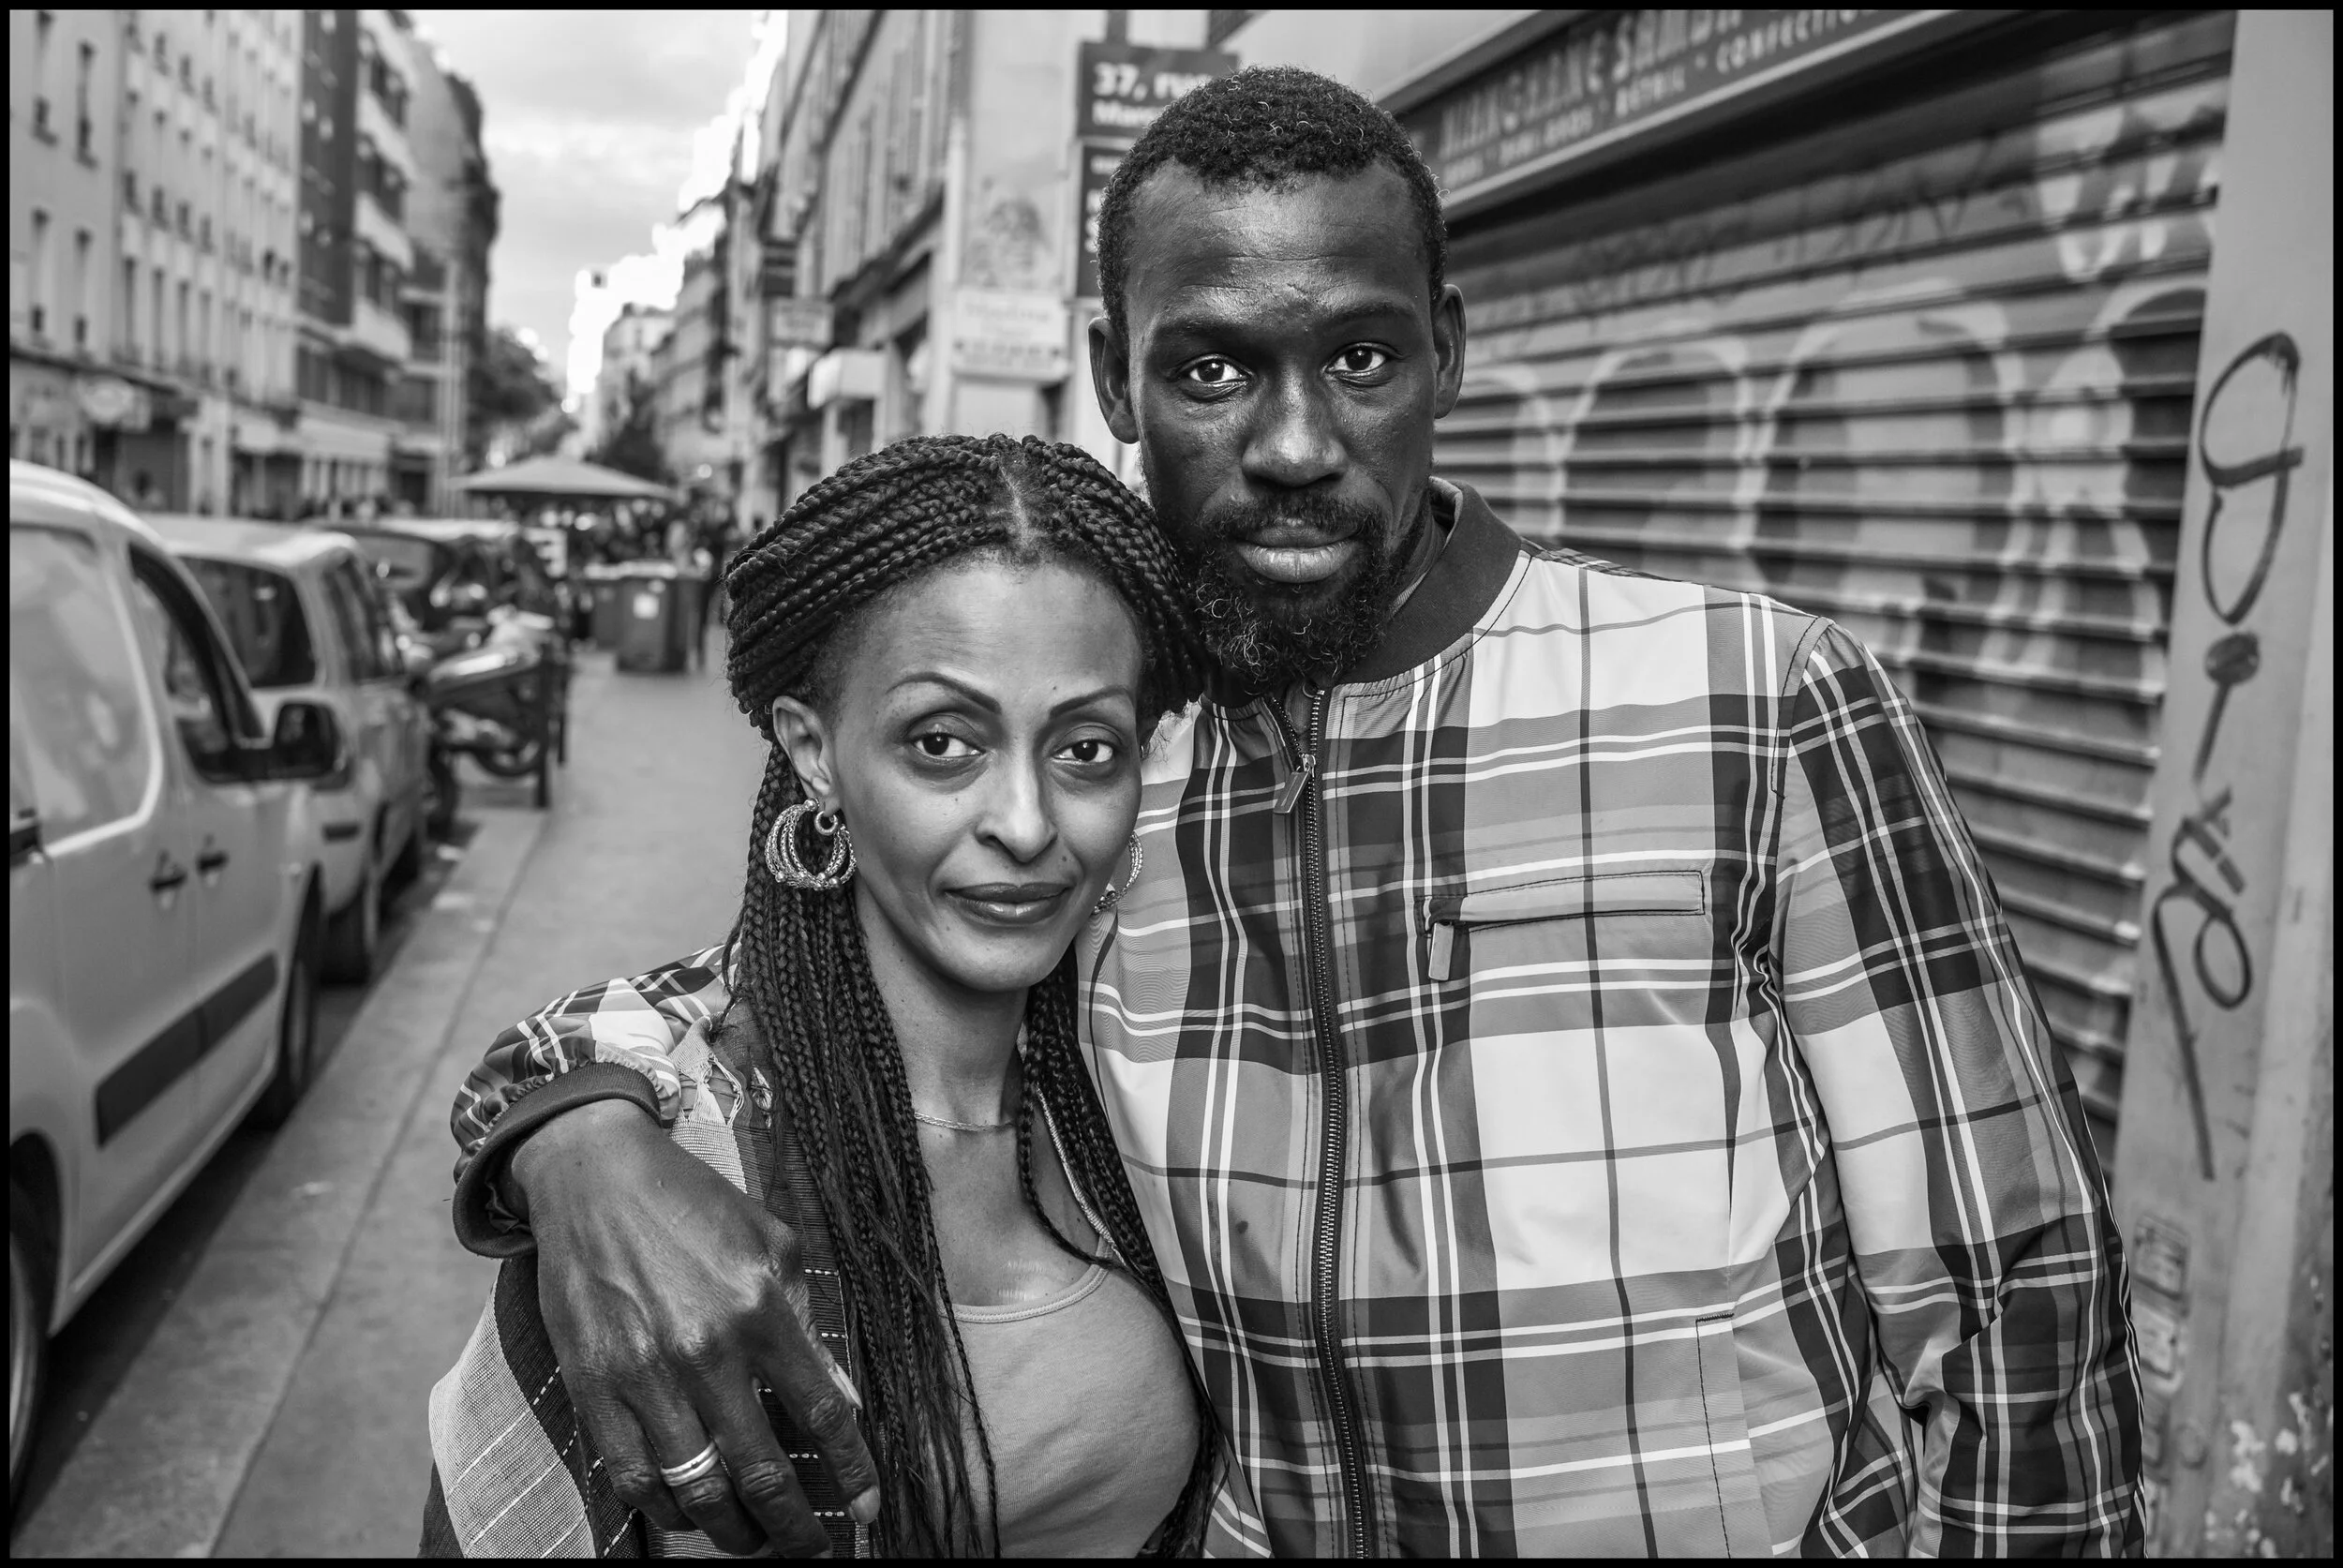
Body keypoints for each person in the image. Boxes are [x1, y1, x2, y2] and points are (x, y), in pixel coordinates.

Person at [446, 67, 2142, 1556]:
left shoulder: (1749, 698)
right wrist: (580, 1135)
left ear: (1446, 352)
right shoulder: (1112, 753)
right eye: (1211, 370)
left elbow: (2017, 1286)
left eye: (1360, 354)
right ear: (1115, 379)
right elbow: (787, 972)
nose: (1294, 441)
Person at [422, 434, 1219, 1557]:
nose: (1027, 821)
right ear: (814, 752)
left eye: (1087, 748)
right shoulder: (669, 1186)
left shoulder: (1148, 1077)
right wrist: (569, 1136)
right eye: (942, 742)